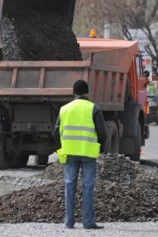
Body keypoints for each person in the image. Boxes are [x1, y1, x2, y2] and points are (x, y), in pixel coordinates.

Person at [53, 79, 107, 229]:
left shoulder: (64, 109)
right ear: (87, 92)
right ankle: (88, 222)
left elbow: (55, 132)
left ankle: (69, 222)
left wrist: (61, 149)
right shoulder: (94, 108)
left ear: (73, 92)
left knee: (69, 185)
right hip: (88, 153)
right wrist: (100, 148)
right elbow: (102, 132)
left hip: (69, 152)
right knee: (88, 186)